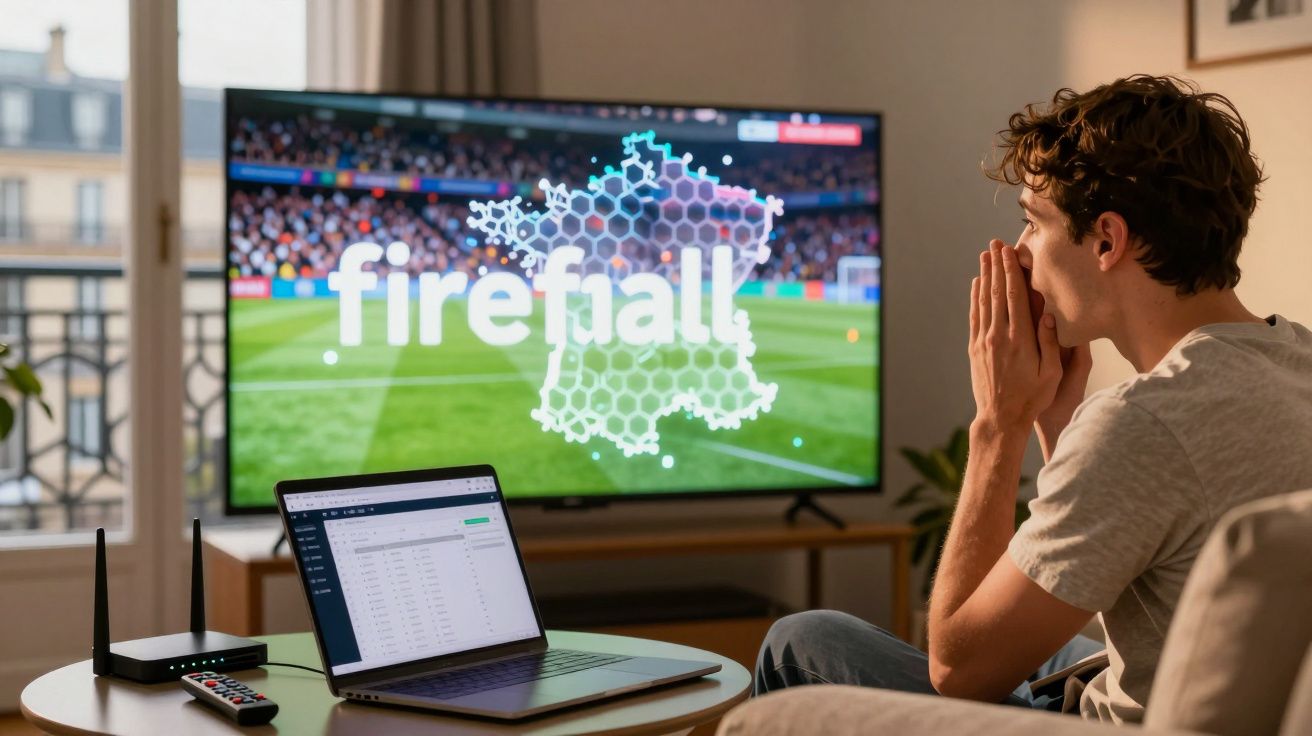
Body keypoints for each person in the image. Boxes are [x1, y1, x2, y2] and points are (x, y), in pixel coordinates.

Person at [754, 74, 1312, 723]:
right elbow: (1135, 541)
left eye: (1033, 221)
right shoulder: (1295, 358)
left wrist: (999, 423)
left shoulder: (1145, 423)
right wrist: (1060, 423)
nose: (1019, 252)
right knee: (1062, 650)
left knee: (802, 640)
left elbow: (961, 671)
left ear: (1107, 239)